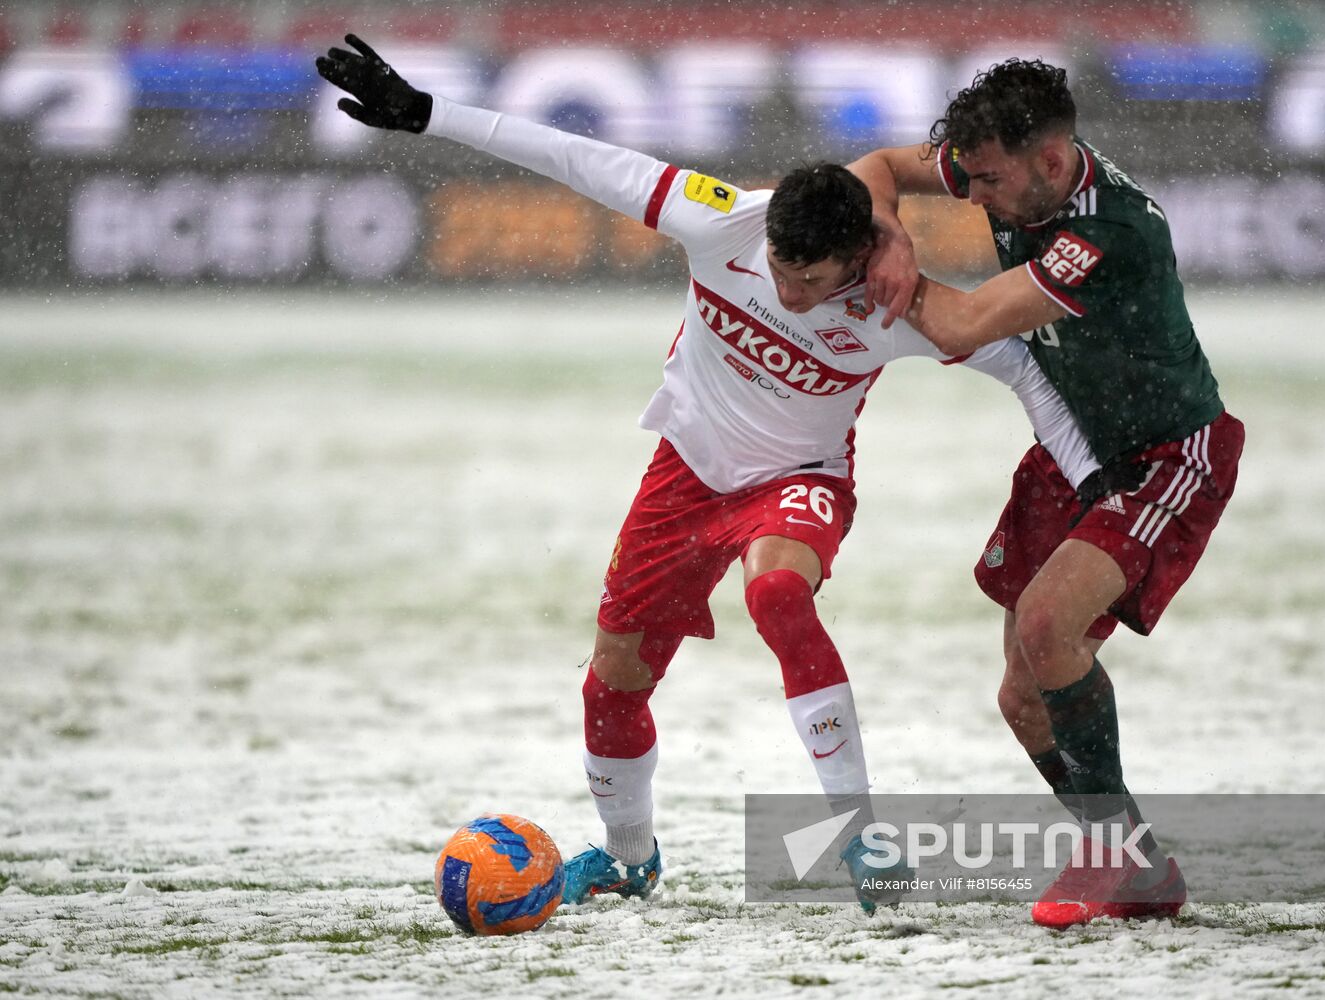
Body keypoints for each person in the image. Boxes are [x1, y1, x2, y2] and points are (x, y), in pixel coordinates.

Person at [316, 38, 1099, 914]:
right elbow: (576, 158)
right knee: (612, 680)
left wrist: (1095, 485)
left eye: (809, 282)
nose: (788, 291)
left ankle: (863, 839)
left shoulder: (897, 306)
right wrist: (428, 113)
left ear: (857, 259)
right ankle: (626, 857)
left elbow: (1030, 370)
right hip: (682, 476)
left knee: (776, 597)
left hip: (800, 480)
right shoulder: (719, 217)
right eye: (779, 270)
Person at [848, 58, 1245, 928]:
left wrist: (868, 269)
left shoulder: (1108, 234)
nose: (974, 196)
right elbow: (874, 169)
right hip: (1069, 448)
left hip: (1163, 457)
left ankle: (1107, 850)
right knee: (1021, 698)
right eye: (969, 176)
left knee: (1044, 625)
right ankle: (1137, 866)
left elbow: (956, 323)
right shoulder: (999, 166)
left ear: (1053, 159)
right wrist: (885, 231)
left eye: (988, 180)